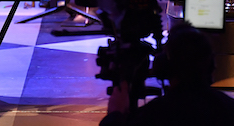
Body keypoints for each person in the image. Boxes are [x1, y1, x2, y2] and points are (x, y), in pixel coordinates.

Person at [100, 22, 234, 126]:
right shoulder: (228, 109)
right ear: (211, 66)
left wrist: (114, 114)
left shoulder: (153, 116)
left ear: (164, 65)